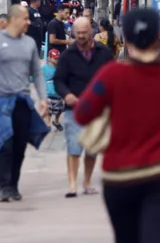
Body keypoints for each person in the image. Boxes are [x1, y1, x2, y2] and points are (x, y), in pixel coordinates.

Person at [74, 7, 160, 243]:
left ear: (125, 37)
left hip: (120, 175)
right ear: (158, 37)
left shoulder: (111, 75)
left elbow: (82, 114)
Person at [0, 5, 51, 203]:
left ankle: (14, 185)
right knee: (4, 143)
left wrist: (43, 99)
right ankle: (4, 185)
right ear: (14, 19)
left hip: (22, 101)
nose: (28, 22)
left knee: (19, 146)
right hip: (0, 100)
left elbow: (37, 73)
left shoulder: (29, 44)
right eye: (25, 18)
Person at [54, 18, 115, 198]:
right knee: (73, 145)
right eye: (78, 33)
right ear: (73, 33)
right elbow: (58, 80)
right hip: (74, 109)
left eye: (84, 33)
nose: (81, 36)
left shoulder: (103, 53)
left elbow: (112, 76)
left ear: (91, 31)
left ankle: (87, 182)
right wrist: (66, 95)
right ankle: (72, 185)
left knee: (92, 147)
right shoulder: (68, 55)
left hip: (96, 109)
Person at [43, 49, 64, 131]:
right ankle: (48, 124)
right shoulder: (45, 68)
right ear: (49, 58)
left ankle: (56, 121)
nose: (56, 60)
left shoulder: (61, 68)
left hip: (58, 93)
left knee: (59, 109)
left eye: (58, 58)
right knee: (49, 110)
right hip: (48, 93)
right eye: (55, 58)